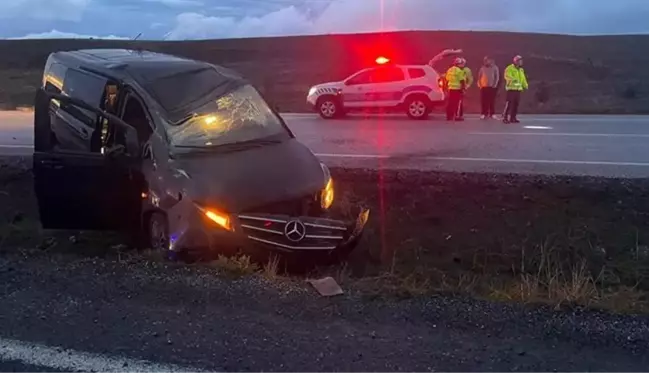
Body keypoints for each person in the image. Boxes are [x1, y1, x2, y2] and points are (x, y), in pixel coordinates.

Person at [502, 55, 528, 123]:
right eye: (520, 61)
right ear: (516, 61)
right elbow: (507, 76)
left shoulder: (521, 70)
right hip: (511, 89)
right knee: (509, 104)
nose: (521, 62)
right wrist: (514, 80)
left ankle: (513, 118)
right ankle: (505, 117)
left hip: (518, 89)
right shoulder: (509, 68)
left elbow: (523, 79)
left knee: (516, 104)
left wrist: (525, 85)